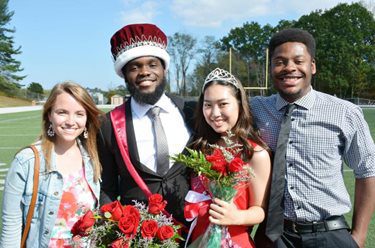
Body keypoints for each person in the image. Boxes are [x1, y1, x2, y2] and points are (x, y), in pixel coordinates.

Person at [251, 28, 375, 248]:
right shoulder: (256, 109)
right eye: (279, 61)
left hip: (329, 234)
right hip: (275, 236)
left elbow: (367, 170)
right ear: (270, 68)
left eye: (298, 61)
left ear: (312, 66)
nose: (289, 67)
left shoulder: (345, 112)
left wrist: (359, 236)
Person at [97, 23, 194, 227]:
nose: (144, 72)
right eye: (134, 67)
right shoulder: (109, 124)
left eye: (152, 64)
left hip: (191, 228)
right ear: (124, 74)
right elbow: (108, 187)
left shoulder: (191, 111)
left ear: (163, 69)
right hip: (139, 233)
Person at [0, 82, 103, 247]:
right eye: (62, 112)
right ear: (49, 115)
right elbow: (11, 225)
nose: (71, 121)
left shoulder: (92, 158)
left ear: (87, 118)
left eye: (79, 114)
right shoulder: (27, 160)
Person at [187, 68, 271, 247]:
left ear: (240, 104)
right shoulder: (199, 147)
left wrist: (235, 216)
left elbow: (260, 211)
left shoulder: (255, 154)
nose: (215, 113)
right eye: (208, 105)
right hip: (197, 240)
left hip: (234, 241)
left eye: (223, 104)